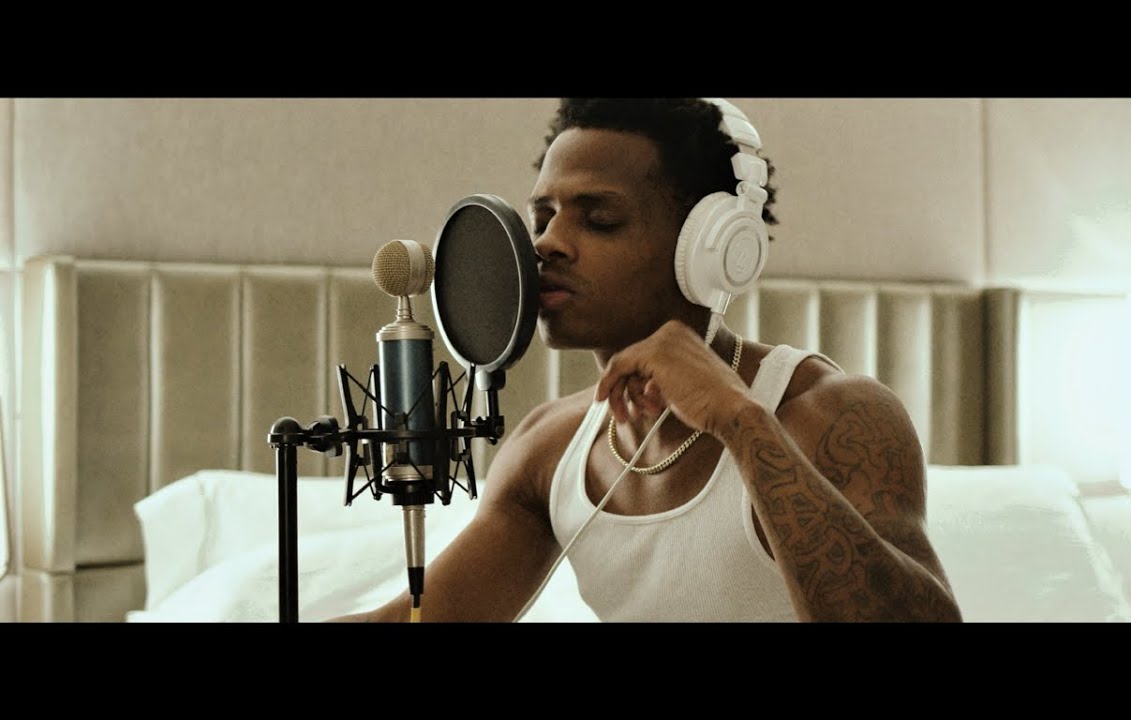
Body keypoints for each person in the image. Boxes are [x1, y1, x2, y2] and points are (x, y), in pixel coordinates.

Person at [335, 98, 961, 622]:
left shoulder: (833, 414)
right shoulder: (548, 450)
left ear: (709, 247)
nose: (548, 243)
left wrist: (743, 424)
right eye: (542, 218)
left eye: (599, 219)